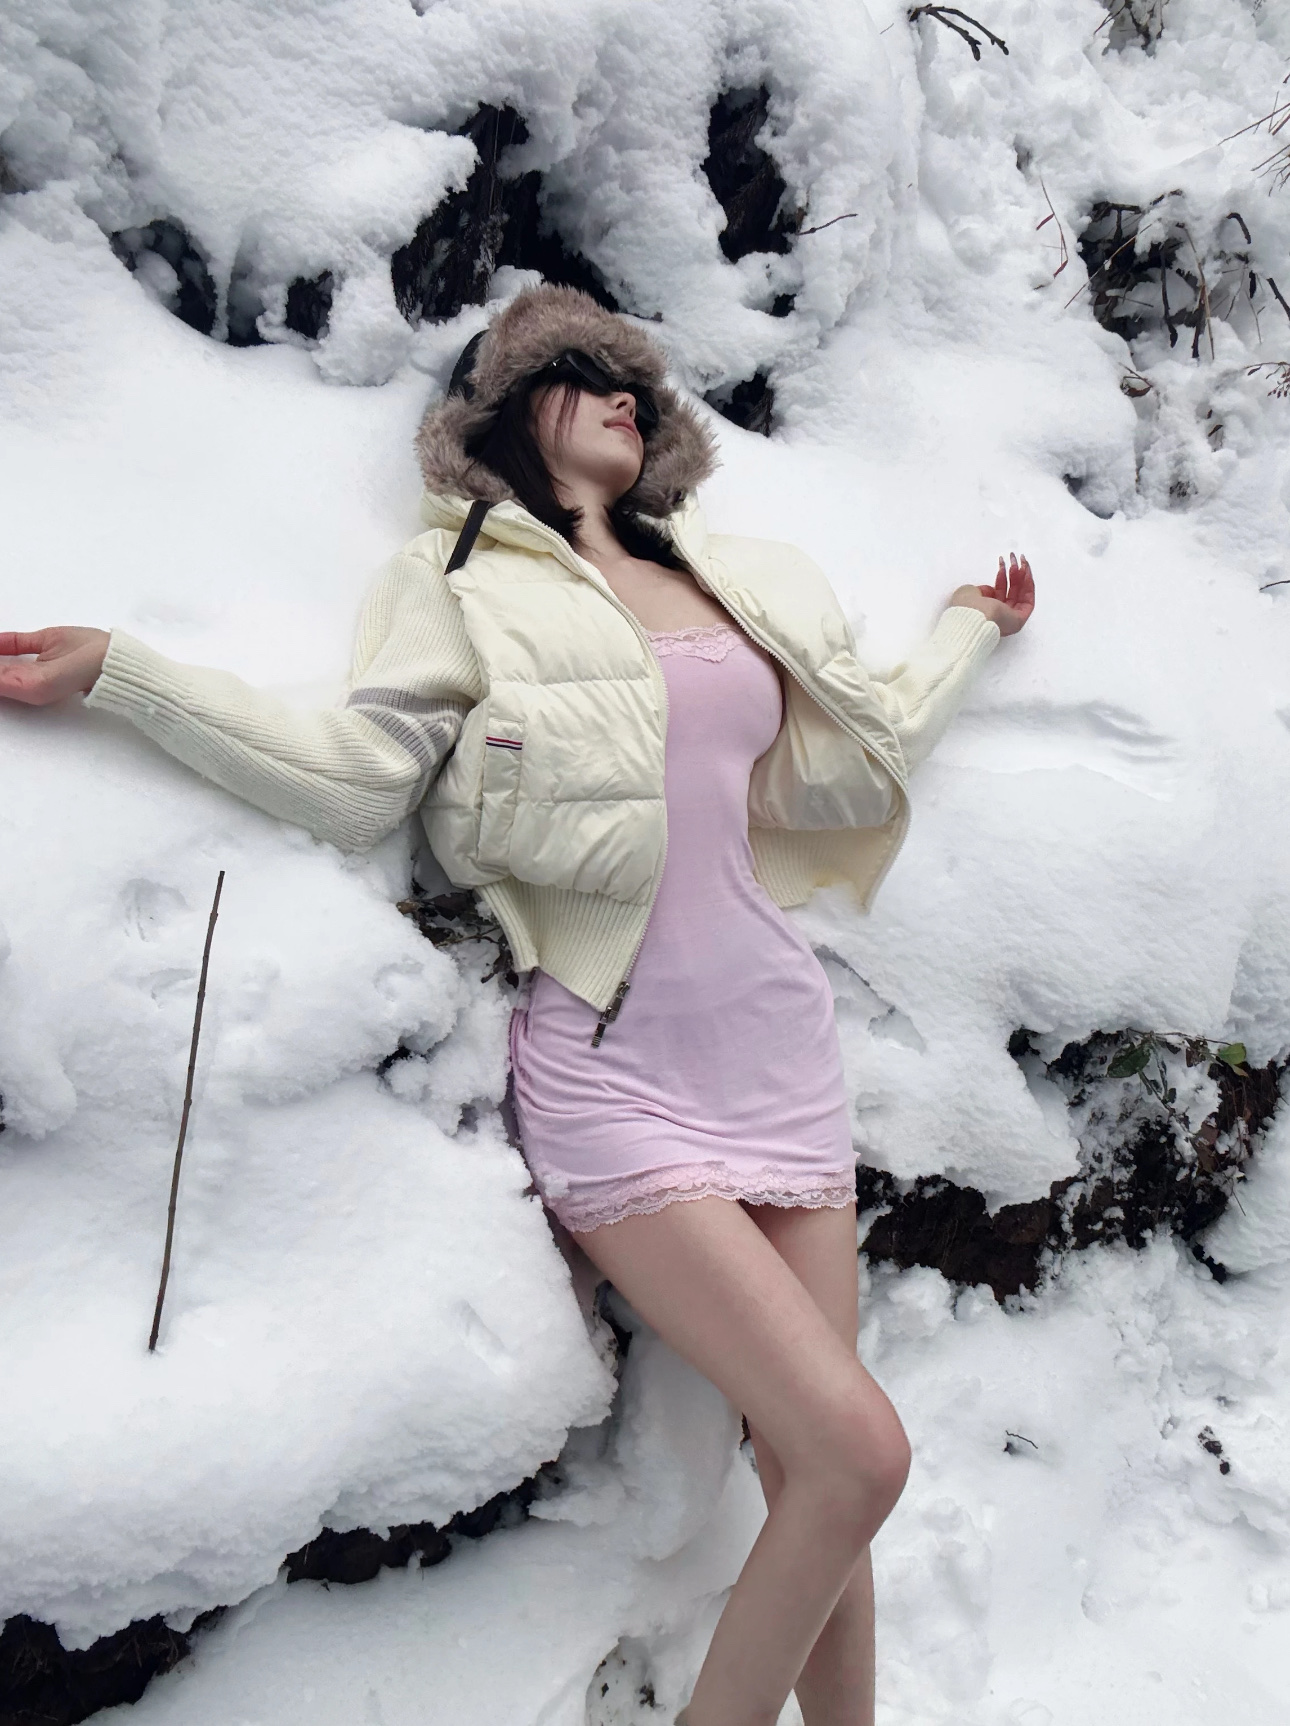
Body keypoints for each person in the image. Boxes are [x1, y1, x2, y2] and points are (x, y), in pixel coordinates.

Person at [0, 284, 1033, 1726]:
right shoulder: (462, 577)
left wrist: (970, 632)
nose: (625, 396)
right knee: (863, 1452)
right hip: (616, 1070)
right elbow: (358, 775)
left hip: (781, 1052)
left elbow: (862, 746)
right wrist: (129, 678)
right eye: (585, 372)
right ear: (502, 409)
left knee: (818, 1471)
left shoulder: (727, 575)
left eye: (638, 384)